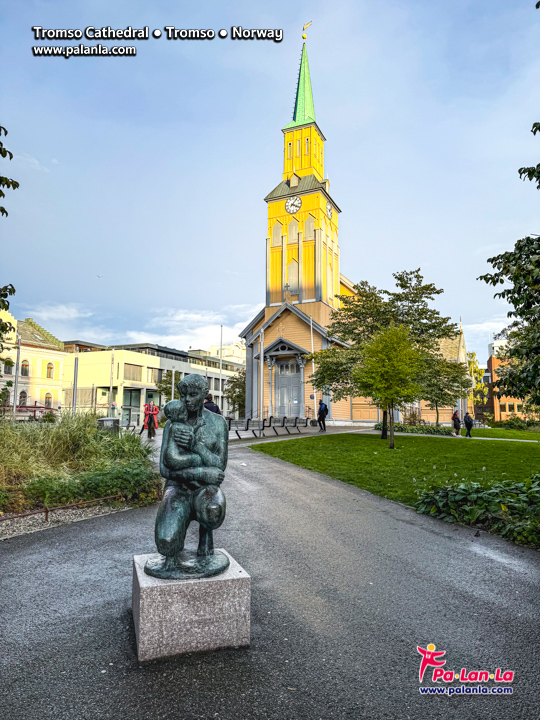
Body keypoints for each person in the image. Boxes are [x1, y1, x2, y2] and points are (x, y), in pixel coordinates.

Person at [149, 374, 228, 571]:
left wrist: (195, 446)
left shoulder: (218, 423)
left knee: (213, 512)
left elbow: (220, 466)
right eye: (183, 395)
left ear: (204, 395)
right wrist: (200, 472)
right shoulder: (173, 423)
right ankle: (173, 549)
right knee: (167, 542)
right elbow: (165, 468)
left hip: (205, 489)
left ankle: (206, 533)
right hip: (178, 488)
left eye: (193, 395)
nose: (187, 400)